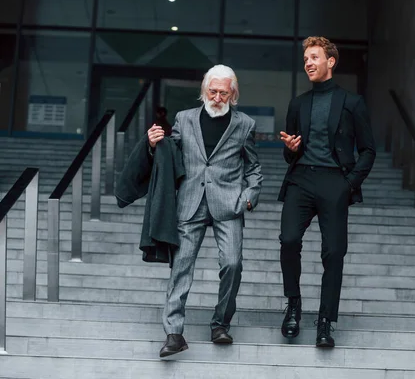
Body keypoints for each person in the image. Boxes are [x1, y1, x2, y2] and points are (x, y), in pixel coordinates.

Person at [147, 64, 263, 358]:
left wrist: (249, 195)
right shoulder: (184, 119)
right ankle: (174, 333)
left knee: (233, 264)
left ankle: (220, 323)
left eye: (224, 92)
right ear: (204, 90)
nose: (217, 97)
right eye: (212, 91)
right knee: (181, 267)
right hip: (191, 201)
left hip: (229, 203)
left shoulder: (245, 124)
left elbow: (254, 167)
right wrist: (152, 145)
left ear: (232, 93)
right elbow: (169, 154)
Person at [278, 36, 376, 348]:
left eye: (314, 57)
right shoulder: (298, 104)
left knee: (334, 253)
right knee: (289, 239)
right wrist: (291, 150)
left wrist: (349, 185)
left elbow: (368, 150)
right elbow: (289, 154)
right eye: (305, 58)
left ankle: (325, 321)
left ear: (330, 62)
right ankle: (293, 304)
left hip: (336, 181)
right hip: (301, 180)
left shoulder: (352, 103)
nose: (308, 62)